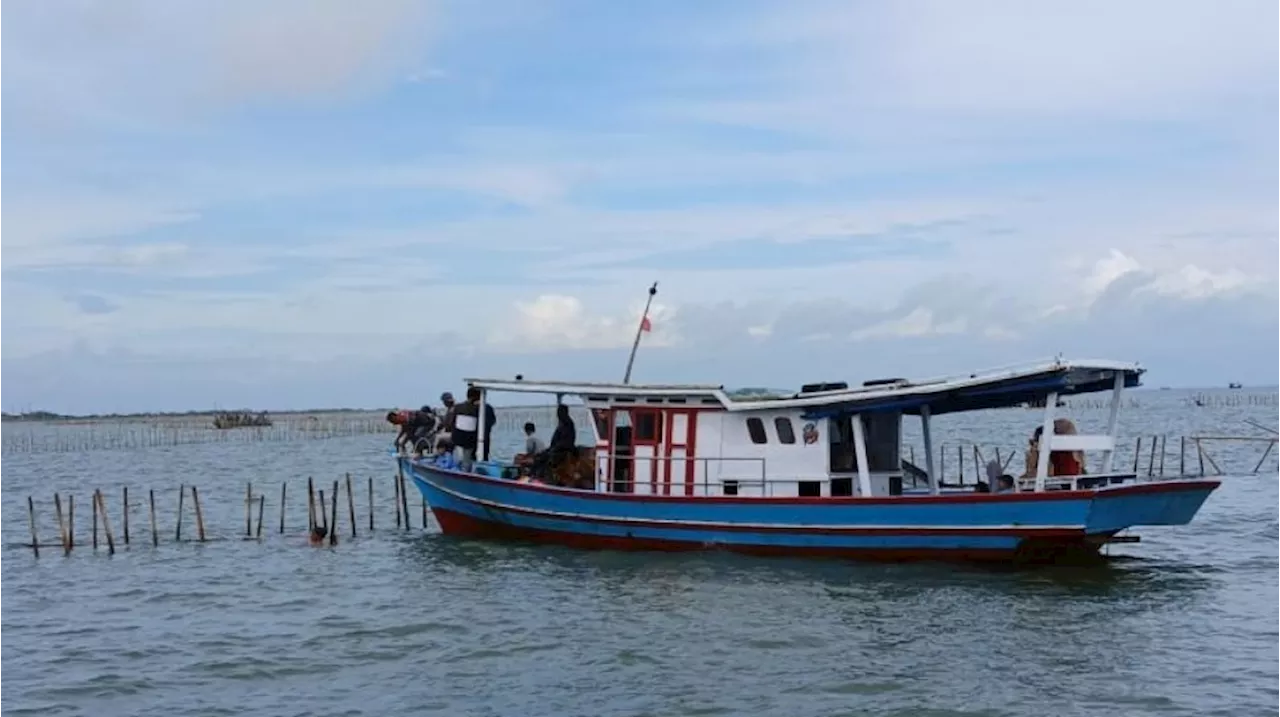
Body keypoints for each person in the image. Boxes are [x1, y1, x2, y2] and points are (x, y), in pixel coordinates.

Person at [451, 387, 482, 471]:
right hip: (470, 441)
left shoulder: (458, 407)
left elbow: (452, 423)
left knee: (459, 461)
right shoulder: (478, 409)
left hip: (457, 439)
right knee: (466, 462)